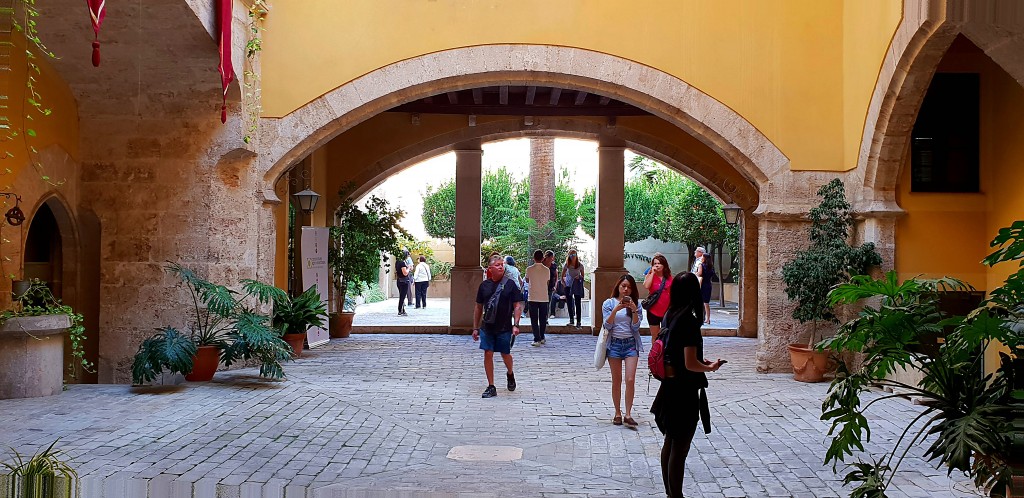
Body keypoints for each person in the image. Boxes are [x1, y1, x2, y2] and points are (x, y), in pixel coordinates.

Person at [651, 272, 725, 498]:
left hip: (669, 387)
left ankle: (670, 493)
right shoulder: (689, 322)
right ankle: (677, 496)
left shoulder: (669, 315)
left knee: (670, 442)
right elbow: (691, 363)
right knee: (680, 448)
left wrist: (703, 363)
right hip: (684, 392)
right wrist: (711, 368)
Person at [472, 256, 525, 398]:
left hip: (504, 326)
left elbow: (517, 305)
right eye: (497, 265)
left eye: (502, 265)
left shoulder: (510, 285)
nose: (501, 267)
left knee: (505, 354)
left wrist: (516, 324)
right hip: (487, 326)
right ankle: (491, 386)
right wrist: (475, 328)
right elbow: (478, 307)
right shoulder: (484, 286)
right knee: (488, 353)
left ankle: (510, 373)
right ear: (490, 269)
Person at [601, 274, 643, 429]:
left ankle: (628, 414)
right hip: (615, 345)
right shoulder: (609, 303)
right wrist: (616, 310)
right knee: (616, 380)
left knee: (630, 379)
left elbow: (636, 328)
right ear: (618, 286)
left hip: (631, 344)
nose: (626, 289)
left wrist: (633, 311)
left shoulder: (636, 304)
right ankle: (617, 413)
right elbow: (608, 325)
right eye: (623, 286)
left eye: (629, 287)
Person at [642, 254, 672, 337]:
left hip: (666, 310)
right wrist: (652, 273)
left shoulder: (668, 277)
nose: (657, 265)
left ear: (664, 265)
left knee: (665, 334)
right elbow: (646, 286)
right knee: (655, 335)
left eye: (659, 263)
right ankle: (655, 350)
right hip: (653, 310)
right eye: (655, 264)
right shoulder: (650, 276)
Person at [525, 250, 551, 346]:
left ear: (533, 258)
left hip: (533, 296)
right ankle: (542, 336)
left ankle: (537, 338)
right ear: (543, 258)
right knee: (543, 318)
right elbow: (547, 282)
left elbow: (527, 280)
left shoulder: (529, 269)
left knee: (534, 319)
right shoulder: (547, 270)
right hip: (544, 296)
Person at [561, 249, 585, 328]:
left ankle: (578, 321)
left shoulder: (580, 265)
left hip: (576, 286)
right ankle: (571, 320)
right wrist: (564, 283)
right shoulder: (566, 265)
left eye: (574, 255)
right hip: (568, 285)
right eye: (571, 255)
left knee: (577, 303)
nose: (572, 257)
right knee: (569, 303)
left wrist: (579, 277)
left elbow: (583, 276)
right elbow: (562, 276)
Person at [698, 253, 715, 324]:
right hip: (708, 285)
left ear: (704, 258)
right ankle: (708, 319)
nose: (701, 257)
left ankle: (700, 318)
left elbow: (699, 274)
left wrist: (696, 273)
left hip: (702, 284)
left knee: (699, 302)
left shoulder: (701, 265)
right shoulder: (711, 267)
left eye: (702, 256)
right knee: (706, 303)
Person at [395, 250, 411, 316]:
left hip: (399, 280)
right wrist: (409, 268)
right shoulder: (402, 263)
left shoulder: (397, 262)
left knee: (402, 296)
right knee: (402, 296)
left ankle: (402, 310)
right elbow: (405, 273)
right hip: (404, 281)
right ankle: (400, 310)